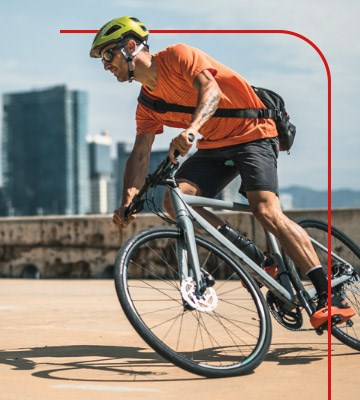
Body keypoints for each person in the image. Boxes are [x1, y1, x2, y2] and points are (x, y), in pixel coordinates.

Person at [90, 16, 354, 328]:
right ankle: (258, 261)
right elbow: (139, 155)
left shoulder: (178, 56)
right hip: (215, 145)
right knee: (174, 203)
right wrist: (128, 201)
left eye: (108, 54)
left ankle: (329, 293)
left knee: (266, 211)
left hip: (254, 131)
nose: (106, 65)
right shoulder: (147, 104)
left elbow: (210, 92)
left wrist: (191, 131)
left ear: (131, 47)